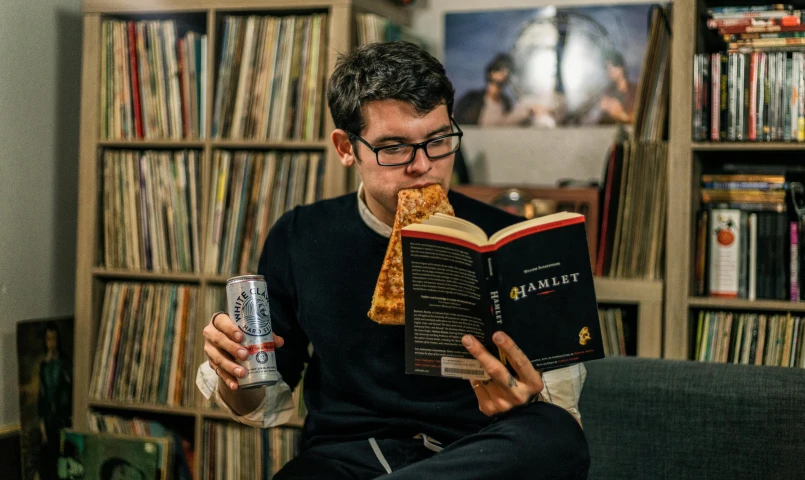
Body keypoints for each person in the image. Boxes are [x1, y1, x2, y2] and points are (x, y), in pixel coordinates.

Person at [197, 41, 589, 479]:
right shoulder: (300, 235)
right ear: (347, 148)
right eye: (394, 147)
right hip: (346, 457)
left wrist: (523, 400)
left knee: (558, 437)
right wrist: (232, 372)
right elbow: (263, 402)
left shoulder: (506, 239)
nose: (424, 166)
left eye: (439, 140)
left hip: (474, 456)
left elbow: (560, 406)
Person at [455, 53, 549, 127]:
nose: (504, 73)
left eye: (508, 70)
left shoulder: (506, 102)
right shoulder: (472, 98)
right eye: (500, 69)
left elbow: (504, 128)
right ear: (491, 72)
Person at [38, 322, 73, 480]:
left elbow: (70, 389)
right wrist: (42, 425)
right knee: (49, 462)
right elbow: (42, 396)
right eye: (48, 339)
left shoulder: (65, 363)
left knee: (63, 459)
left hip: (63, 418)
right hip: (49, 420)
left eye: (54, 339)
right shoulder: (44, 366)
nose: (51, 343)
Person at [598, 50, 637, 125]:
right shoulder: (607, 92)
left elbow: (644, 120)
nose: (609, 70)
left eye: (612, 66)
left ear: (621, 67)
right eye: (607, 67)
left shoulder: (637, 90)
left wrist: (621, 114)